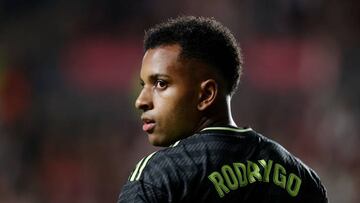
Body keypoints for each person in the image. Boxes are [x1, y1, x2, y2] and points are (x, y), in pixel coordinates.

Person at [118, 16, 328, 202]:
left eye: (161, 84)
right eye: (143, 85)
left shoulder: (159, 176)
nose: (141, 101)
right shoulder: (303, 178)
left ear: (207, 94)